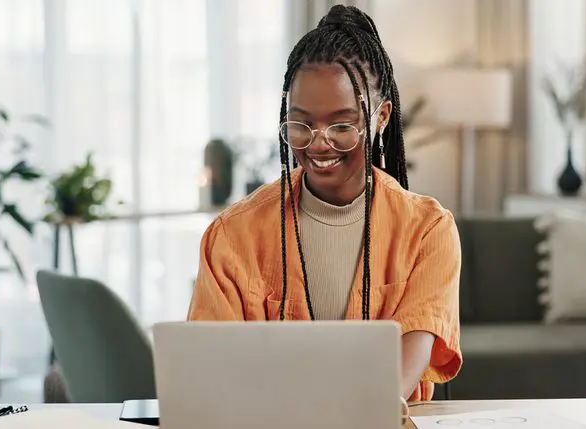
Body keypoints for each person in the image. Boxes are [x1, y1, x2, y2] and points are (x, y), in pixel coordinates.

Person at [187, 4, 462, 402]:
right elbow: (209, 370)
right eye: (301, 123)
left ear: (381, 117)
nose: (318, 143)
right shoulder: (232, 235)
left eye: (342, 125)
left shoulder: (428, 231)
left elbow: (400, 376)